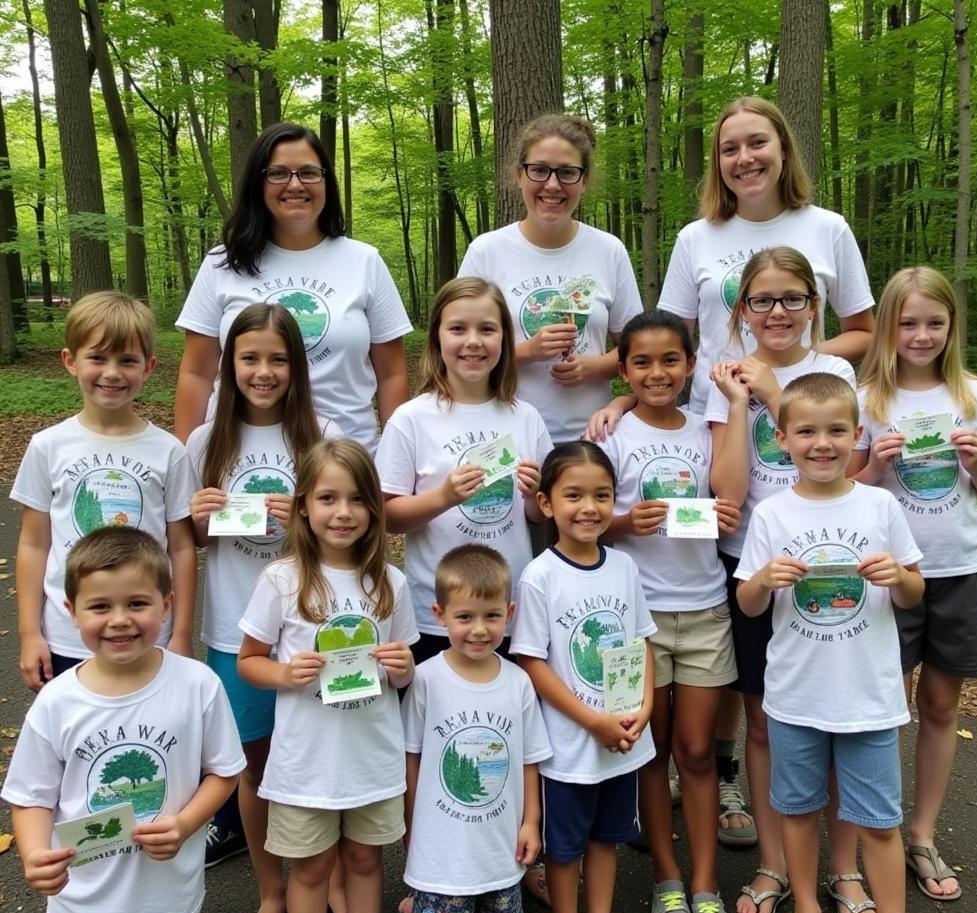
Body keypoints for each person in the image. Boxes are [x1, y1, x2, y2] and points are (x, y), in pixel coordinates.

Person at [587, 95, 874, 855]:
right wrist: (628, 395)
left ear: (784, 148)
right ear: (716, 162)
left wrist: (799, 380)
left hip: (793, 432)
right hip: (716, 433)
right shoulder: (697, 236)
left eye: (758, 144)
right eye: (729, 149)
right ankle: (705, 767)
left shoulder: (827, 229)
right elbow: (668, 335)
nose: (744, 159)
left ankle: (742, 783)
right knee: (725, 623)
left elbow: (866, 331)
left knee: (763, 653)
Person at [735, 373, 939, 913]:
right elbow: (747, 601)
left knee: (879, 821)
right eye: (806, 432)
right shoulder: (771, 514)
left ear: (857, 436)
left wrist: (900, 578)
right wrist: (765, 578)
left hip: (869, 697)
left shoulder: (880, 507)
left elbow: (915, 594)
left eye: (835, 431)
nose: (821, 443)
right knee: (796, 809)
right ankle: (807, 912)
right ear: (784, 439)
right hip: (796, 695)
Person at [12, 291, 198, 913]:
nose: (111, 372)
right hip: (72, 636)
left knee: (145, 766)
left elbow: (181, 546)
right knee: (73, 773)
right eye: (97, 358)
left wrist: (181, 634)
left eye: (127, 359)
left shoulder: (167, 449)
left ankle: (151, 909)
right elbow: (34, 543)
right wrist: (30, 630)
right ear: (70, 362)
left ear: (149, 365)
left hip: (149, 637)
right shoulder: (49, 445)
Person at [1, 526, 245, 913]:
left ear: (168, 602)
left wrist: (185, 824)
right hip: (84, 900)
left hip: (165, 895)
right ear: (71, 612)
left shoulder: (197, 684)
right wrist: (34, 855)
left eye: (137, 603)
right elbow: (30, 794)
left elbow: (224, 773)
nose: (119, 621)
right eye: (99, 607)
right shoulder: (58, 702)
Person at [705, 247, 877, 913]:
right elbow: (728, 490)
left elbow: (855, 466)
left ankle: (847, 868)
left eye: (792, 299)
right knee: (766, 720)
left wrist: (776, 393)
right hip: (751, 561)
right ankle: (775, 865)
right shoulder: (719, 374)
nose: (777, 313)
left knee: (835, 720)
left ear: (816, 304)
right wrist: (741, 398)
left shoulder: (834, 371)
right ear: (741, 310)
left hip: (831, 563)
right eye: (762, 301)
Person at [237, 439, 419, 913]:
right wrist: (286, 673)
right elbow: (249, 661)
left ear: (374, 509)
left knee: (366, 861)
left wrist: (403, 669)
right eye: (327, 498)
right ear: (303, 507)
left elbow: (405, 665)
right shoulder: (283, 580)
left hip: (371, 756)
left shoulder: (390, 581)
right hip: (307, 763)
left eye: (357, 499)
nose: (343, 512)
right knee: (312, 868)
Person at [851, 267, 977, 903]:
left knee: (941, 707)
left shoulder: (975, 396)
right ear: (888, 326)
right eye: (908, 323)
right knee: (882, 713)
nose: (921, 336)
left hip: (962, 569)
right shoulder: (867, 400)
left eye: (935, 323)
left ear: (952, 328)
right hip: (890, 573)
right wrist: (873, 464)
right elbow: (842, 492)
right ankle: (877, 832)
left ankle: (921, 834)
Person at [187, 302, 342, 913]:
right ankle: (272, 891)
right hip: (234, 629)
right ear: (230, 365)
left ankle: (329, 886)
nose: (263, 371)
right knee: (254, 765)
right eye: (249, 358)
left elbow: (349, 527)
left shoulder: (321, 434)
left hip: (312, 630)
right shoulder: (205, 443)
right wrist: (197, 518)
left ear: (297, 367)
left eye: (278, 359)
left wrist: (302, 519)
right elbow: (186, 541)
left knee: (317, 756)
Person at [597, 310, 742, 913]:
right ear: (623, 369)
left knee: (698, 751)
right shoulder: (609, 434)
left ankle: (707, 885)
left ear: (689, 365)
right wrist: (629, 523)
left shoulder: (705, 429)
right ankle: (666, 878)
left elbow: (730, 499)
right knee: (649, 750)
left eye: (670, 361)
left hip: (706, 609)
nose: (658, 373)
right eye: (642, 363)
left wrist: (720, 511)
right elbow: (588, 520)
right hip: (636, 618)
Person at [511, 442, 656, 913]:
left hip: (622, 738)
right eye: (573, 496)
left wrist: (643, 706)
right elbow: (533, 662)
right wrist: (591, 721)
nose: (588, 508)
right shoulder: (540, 576)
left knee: (607, 839)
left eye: (601, 495)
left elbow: (642, 641)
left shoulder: (623, 566)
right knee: (564, 849)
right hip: (570, 745)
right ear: (546, 504)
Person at [174, 122, 412, 450]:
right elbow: (196, 374)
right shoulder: (223, 262)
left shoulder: (364, 261)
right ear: (258, 183)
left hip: (344, 466)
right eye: (279, 173)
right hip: (239, 461)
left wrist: (392, 468)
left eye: (309, 173)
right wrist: (187, 465)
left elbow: (392, 374)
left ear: (326, 181)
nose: (295, 184)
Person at [402, 545, 552, 913]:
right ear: (439, 614)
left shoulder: (518, 681)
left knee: (499, 895)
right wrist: (409, 820)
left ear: (509, 614)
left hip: (500, 829)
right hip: (440, 829)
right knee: (445, 895)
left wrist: (532, 820)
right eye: (464, 616)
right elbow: (412, 755)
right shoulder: (425, 679)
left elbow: (529, 757)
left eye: (491, 615)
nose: (480, 629)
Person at [376, 277, 551, 664]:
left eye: (487, 329)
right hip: (437, 614)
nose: (473, 341)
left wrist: (533, 494)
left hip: (508, 612)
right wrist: (444, 497)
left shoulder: (525, 417)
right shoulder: (412, 419)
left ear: (504, 339)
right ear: (437, 336)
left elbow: (538, 514)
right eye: (457, 328)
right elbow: (387, 516)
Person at [458, 114, 643, 446]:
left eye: (567, 172)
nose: (553, 185)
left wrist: (594, 366)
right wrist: (528, 351)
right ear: (519, 175)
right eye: (539, 170)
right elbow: (456, 351)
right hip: (506, 438)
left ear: (584, 181)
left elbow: (638, 348)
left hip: (591, 441)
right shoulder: (486, 252)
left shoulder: (608, 251)